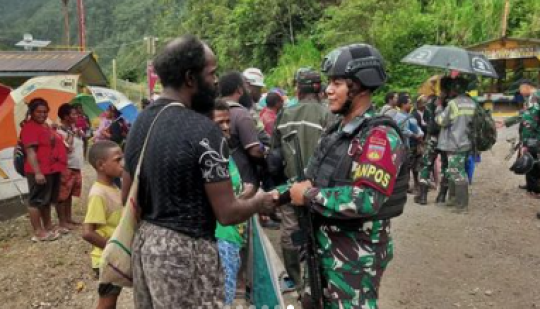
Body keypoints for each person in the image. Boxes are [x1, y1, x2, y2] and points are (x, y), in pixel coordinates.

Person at [122, 35, 278, 308]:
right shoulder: (203, 130)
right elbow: (227, 213)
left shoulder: (140, 123)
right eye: (212, 73)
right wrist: (259, 202)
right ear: (190, 78)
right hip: (187, 254)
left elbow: (127, 198)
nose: (217, 81)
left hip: (146, 250)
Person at [288, 43, 408, 308]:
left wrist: (307, 196)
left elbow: (367, 198)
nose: (327, 90)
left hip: (355, 258)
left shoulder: (379, 137)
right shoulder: (336, 132)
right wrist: (280, 193)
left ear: (361, 86)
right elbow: (311, 178)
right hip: (323, 249)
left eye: (337, 83)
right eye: (329, 82)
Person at [271, 67, 330, 292]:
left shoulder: (285, 114)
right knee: (320, 230)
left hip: (290, 186)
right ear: (319, 88)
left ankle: (295, 279)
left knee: (290, 231)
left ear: (298, 88)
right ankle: (316, 279)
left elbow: (274, 153)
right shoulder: (329, 115)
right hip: (319, 188)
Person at [211, 99, 256, 305]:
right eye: (219, 122)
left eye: (228, 122)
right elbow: (217, 202)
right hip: (221, 238)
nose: (226, 127)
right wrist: (247, 196)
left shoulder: (225, 154)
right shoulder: (212, 158)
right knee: (222, 300)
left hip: (232, 237)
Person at [82, 141, 124, 309]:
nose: (123, 163)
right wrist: (113, 249)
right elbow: (87, 232)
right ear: (101, 165)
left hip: (116, 258)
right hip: (107, 260)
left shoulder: (113, 186)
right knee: (107, 302)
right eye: (117, 159)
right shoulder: (98, 193)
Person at [21, 98, 67, 242]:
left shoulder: (45, 126)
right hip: (39, 170)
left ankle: (47, 226)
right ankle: (38, 231)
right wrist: (38, 172)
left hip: (51, 169)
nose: (42, 114)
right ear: (32, 112)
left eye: (45, 112)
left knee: (46, 201)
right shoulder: (29, 128)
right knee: (36, 201)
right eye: (38, 112)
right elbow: (31, 152)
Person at [435, 76, 475, 212]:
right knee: (454, 171)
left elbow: (441, 121)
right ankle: (452, 199)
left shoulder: (453, 104)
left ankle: (462, 206)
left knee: (457, 173)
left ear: (455, 89)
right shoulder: (471, 102)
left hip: (454, 143)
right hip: (466, 142)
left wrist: (439, 107)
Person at [499, 79, 540, 197]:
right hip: (535, 136)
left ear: (526, 87)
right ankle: (531, 185)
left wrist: (526, 143)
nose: (520, 91)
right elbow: (523, 114)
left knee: (533, 161)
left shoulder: (534, 98)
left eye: (521, 88)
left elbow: (529, 121)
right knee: (533, 162)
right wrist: (506, 122)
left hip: (534, 138)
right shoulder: (534, 97)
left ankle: (535, 189)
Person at [57, 103, 85, 230]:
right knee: (62, 195)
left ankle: (68, 218)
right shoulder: (59, 132)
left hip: (75, 166)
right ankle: (62, 222)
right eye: (73, 114)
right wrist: (70, 138)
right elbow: (63, 150)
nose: (76, 116)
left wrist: (78, 134)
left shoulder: (73, 130)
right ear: (65, 116)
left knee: (69, 195)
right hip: (66, 167)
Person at [393, 93, 423, 194]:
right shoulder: (398, 116)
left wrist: (420, 134)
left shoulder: (410, 115)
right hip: (406, 145)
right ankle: (405, 186)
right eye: (409, 103)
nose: (411, 105)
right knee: (407, 166)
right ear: (403, 104)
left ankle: (416, 184)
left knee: (416, 165)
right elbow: (402, 130)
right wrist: (415, 135)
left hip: (415, 144)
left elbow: (417, 127)